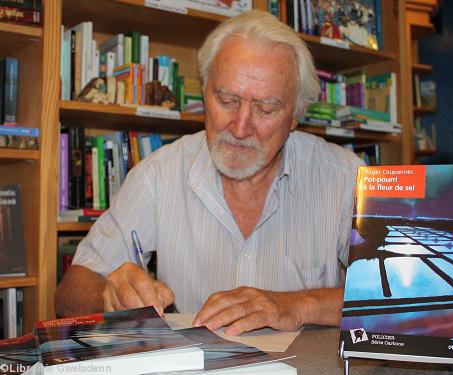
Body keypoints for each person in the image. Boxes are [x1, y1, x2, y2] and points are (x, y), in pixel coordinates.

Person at [55, 9, 363, 336]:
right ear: (204, 94)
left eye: (266, 108)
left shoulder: (345, 177)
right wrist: (107, 296)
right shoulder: (158, 176)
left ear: (294, 117)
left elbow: (413, 300)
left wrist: (296, 305)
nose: (241, 127)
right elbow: (70, 292)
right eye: (226, 99)